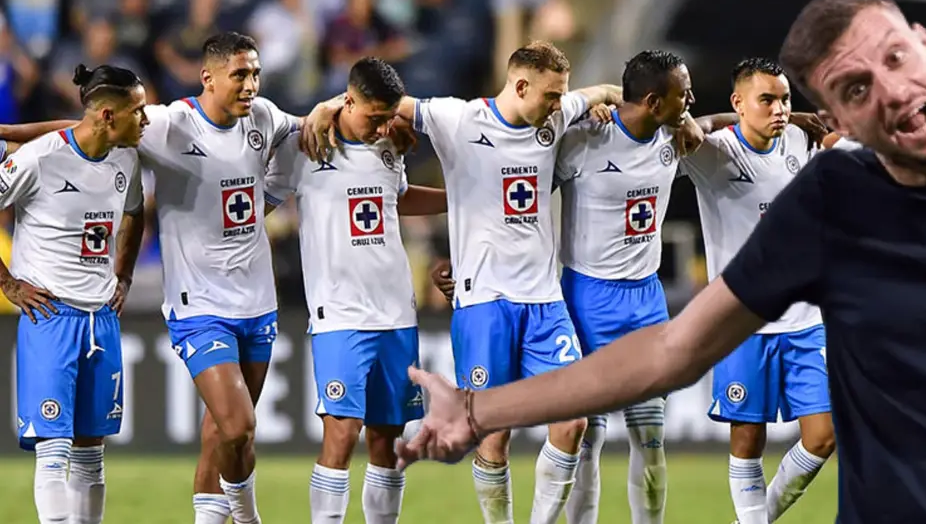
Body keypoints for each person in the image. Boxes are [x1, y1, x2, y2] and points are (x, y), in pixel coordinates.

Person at [395, 0, 926, 523]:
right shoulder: (828, 199)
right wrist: (478, 409)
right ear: (833, 111)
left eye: (893, 58)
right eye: (851, 89)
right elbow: (675, 350)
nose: (884, 91)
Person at [0, 33, 344, 524]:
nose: (251, 84)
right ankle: (248, 518)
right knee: (236, 423)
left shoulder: (258, 119)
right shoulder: (164, 126)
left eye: (255, 74)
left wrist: (335, 103)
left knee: (218, 435)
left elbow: (307, 125)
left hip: (236, 301)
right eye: (240, 74)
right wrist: (13, 132)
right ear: (208, 77)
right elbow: (86, 126)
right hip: (178, 303)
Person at [306, 40, 621, 524]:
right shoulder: (458, 119)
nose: (560, 106)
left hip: (545, 300)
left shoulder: (555, 118)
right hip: (484, 306)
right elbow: (381, 100)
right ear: (520, 85)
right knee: (492, 437)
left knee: (574, 420)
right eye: (552, 96)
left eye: (562, 97)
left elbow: (600, 91)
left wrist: (611, 101)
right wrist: (328, 106)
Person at [263, 57, 443, 524]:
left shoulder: (390, 147)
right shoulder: (306, 146)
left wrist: (457, 200)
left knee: (387, 440)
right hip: (340, 316)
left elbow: (396, 199)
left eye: (388, 117)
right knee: (341, 435)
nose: (382, 126)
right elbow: (257, 203)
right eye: (374, 115)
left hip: (396, 314)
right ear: (348, 100)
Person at [679, 57, 834, 524]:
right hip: (742, 323)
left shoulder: (799, 140)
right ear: (738, 103)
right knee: (747, 442)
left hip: (806, 319)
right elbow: (681, 129)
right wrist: (730, 120)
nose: (780, 109)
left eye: (785, 99)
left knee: (823, 436)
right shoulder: (716, 154)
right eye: (766, 100)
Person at [554, 49, 694, 524]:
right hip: (587, 300)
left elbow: (724, 126)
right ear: (654, 100)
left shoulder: (674, 136)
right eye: (683, 93)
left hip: (646, 302)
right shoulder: (583, 140)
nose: (691, 99)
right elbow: (520, 181)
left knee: (650, 441)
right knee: (585, 440)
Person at [3, 64, 147, 523]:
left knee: (91, 454)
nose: (146, 119)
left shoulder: (126, 157)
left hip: (101, 319)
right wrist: (7, 282)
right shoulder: (40, 158)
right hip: (51, 317)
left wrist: (122, 276)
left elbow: (135, 213)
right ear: (107, 115)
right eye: (138, 111)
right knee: (54, 449)